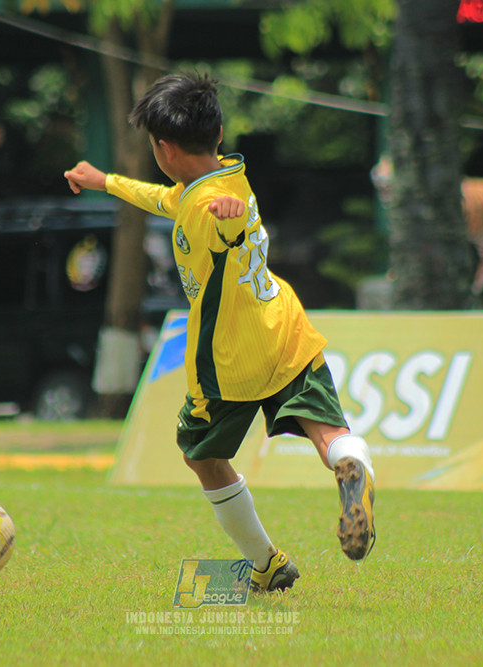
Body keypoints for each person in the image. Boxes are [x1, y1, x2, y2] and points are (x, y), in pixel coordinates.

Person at [63, 72, 375, 592]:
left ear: (164, 148)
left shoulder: (212, 208)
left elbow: (224, 228)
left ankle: (266, 564)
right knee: (327, 433)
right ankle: (352, 465)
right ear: (219, 131)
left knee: (201, 455)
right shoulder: (227, 175)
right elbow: (171, 201)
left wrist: (229, 222)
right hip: (286, 328)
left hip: (230, 359)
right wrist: (107, 181)